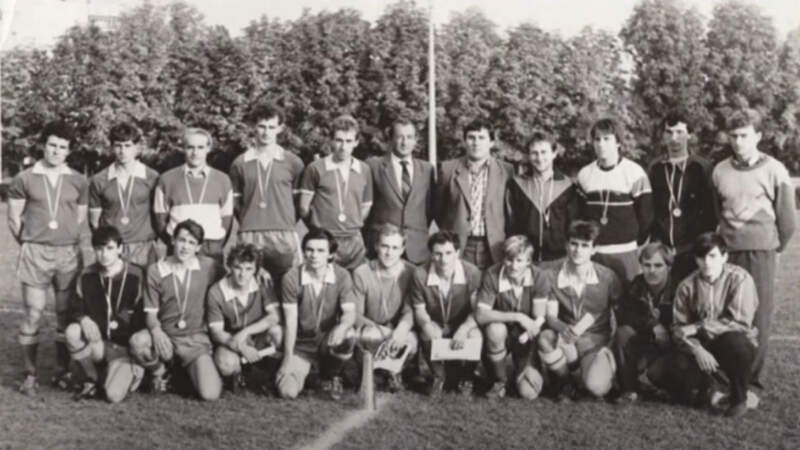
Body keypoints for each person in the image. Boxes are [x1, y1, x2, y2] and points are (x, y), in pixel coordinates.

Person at [712, 108, 796, 388]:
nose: (738, 142)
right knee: (726, 311)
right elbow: (716, 213)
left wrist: (773, 247)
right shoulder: (720, 170)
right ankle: (728, 372)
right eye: (734, 136)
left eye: (744, 136)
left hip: (760, 252)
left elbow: (787, 220)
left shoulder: (774, 169)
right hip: (728, 252)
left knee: (758, 314)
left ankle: (751, 378)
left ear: (758, 136)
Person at [8, 121, 90, 395]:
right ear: (44, 145)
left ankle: (61, 370)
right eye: (52, 145)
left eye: (62, 147)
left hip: (67, 253)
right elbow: (13, 219)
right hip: (36, 251)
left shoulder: (79, 180)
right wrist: (31, 241)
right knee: (33, 311)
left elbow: (79, 218)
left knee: (64, 313)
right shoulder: (25, 178)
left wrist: (62, 237)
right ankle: (29, 374)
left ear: (69, 151)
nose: (56, 151)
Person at [664, 232, 759, 418]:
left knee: (736, 344)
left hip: (732, 341)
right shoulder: (687, 285)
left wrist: (699, 327)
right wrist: (697, 349)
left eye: (712, 256)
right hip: (701, 345)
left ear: (725, 257)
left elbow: (739, 322)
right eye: (701, 257)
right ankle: (712, 390)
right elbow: (678, 329)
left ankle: (739, 399)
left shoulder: (740, 278)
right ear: (695, 259)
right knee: (666, 374)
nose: (707, 262)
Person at [129, 219, 224, 401]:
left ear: (198, 247)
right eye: (181, 240)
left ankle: (182, 374)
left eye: (191, 243)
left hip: (194, 339)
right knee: (137, 342)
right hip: (166, 335)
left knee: (210, 394)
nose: (185, 247)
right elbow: (150, 313)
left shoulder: (209, 266)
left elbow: (236, 277)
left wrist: (259, 271)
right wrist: (156, 331)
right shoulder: (156, 270)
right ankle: (160, 371)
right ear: (172, 240)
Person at [537, 220, 622, 400]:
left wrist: (611, 345)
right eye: (574, 244)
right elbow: (550, 316)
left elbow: (621, 314)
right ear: (566, 245)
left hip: (595, 340)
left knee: (597, 388)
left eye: (585, 246)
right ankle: (565, 382)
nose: (578, 250)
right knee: (545, 338)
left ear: (594, 249)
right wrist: (564, 328)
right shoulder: (551, 275)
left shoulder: (607, 277)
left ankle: (590, 372)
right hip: (565, 339)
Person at [65, 226, 146, 402]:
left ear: (120, 249)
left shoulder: (137, 274)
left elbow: (143, 315)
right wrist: (83, 318)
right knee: (72, 331)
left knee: (113, 395)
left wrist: (138, 357)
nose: (104, 254)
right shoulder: (86, 274)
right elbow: (73, 305)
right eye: (99, 249)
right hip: (99, 344)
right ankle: (92, 378)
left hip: (125, 349)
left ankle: (124, 371)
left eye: (110, 248)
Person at [276, 228, 358, 400]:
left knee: (348, 334)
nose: (314, 255)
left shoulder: (342, 275)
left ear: (330, 254)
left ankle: (331, 375)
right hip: (301, 345)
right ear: (303, 251)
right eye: (309, 250)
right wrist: (288, 358)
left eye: (321, 251)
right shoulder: (291, 278)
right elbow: (291, 320)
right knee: (287, 392)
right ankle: (310, 374)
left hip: (327, 341)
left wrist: (342, 326)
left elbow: (350, 313)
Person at [229, 104, 305, 279]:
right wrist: (251, 219)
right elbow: (236, 205)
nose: (266, 132)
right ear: (253, 127)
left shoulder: (293, 162)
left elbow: (298, 203)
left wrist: (284, 219)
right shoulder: (240, 163)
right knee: (248, 283)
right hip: (250, 233)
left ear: (280, 128)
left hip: (283, 233)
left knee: (289, 281)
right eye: (262, 126)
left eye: (271, 127)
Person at [576, 117, 653, 283]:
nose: (601, 144)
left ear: (618, 142)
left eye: (607, 139)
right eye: (597, 139)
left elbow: (646, 217)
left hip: (626, 252)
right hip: (594, 252)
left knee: (628, 296)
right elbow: (580, 216)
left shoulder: (635, 173)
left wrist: (634, 245)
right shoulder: (585, 174)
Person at [475, 235, 551, 399]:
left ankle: (525, 366)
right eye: (509, 260)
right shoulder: (492, 274)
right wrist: (517, 316)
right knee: (495, 329)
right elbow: (481, 315)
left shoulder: (539, 276)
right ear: (503, 258)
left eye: (519, 260)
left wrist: (531, 331)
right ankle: (500, 380)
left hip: (525, 338)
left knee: (528, 393)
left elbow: (539, 317)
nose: (514, 266)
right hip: (501, 335)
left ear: (528, 261)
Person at [410, 231, 483, 396]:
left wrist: (464, 329)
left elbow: (477, 311)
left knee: (475, 335)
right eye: (438, 254)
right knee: (427, 331)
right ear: (431, 254)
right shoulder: (420, 274)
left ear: (457, 253)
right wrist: (426, 324)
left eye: (449, 253)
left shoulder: (471, 272)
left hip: (461, 322)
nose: (444, 260)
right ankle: (439, 376)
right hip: (436, 322)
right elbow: (420, 311)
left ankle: (467, 377)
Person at [435, 118, 513, 270]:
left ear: (491, 142)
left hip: (494, 245)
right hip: (459, 245)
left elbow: (510, 212)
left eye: (482, 138)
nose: (476, 143)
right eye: (471, 137)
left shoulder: (506, 171)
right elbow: (438, 209)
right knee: (461, 284)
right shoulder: (447, 169)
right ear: (464, 141)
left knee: (492, 284)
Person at [648, 110, 716, 282]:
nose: (674, 138)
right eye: (669, 132)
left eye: (680, 132)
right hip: (662, 253)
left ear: (690, 135)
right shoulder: (655, 168)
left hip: (694, 252)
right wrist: (656, 244)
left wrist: (701, 248)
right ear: (663, 136)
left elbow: (711, 214)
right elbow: (650, 211)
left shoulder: (703, 168)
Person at [298, 115, 373, 271]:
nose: (343, 147)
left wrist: (351, 224)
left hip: (354, 239)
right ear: (331, 140)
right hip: (325, 239)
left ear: (356, 142)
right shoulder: (315, 168)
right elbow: (304, 208)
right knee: (325, 281)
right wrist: (318, 227)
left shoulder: (364, 169)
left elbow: (366, 206)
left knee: (356, 281)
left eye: (348, 141)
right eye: (339, 140)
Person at [207, 243, 283, 392]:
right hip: (231, 340)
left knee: (277, 332)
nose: (242, 274)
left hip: (256, 336)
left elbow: (274, 317)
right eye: (238, 268)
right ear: (229, 266)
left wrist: (246, 332)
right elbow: (217, 333)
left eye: (249, 269)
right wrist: (241, 347)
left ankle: (266, 373)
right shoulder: (216, 291)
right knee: (225, 364)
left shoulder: (262, 282)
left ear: (256, 270)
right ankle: (239, 374)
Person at [153, 127, 234, 264]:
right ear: (183, 148)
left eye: (200, 147)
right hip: (180, 245)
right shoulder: (167, 179)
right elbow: (160, 219)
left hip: (211, 245)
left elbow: (227, 219)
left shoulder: (223, 179)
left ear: (208, 148)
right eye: (190, 147)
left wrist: (216, 242)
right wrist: (174, 241)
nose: (195, 153)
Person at [352, 224, 418, 391]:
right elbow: (356, 314)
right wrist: (384, 332)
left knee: (411, 340)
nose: (389, 253)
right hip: (372, 328)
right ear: (376, 246)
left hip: (396, 329)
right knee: (369, 335)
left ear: (402, 249)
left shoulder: (411, 272)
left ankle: (394, 372)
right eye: (385, 246)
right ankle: (369, 371)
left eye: (395, 248)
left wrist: (401, 330)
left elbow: (410, 310)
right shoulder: (362, 272)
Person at [89, 122, 161, 268]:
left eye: (128, 146)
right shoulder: (99, 179)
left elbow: (158, 214)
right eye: (118, 146)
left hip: (143, 246)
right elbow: (94, 222)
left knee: (144, 282)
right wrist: (107, 243)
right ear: (111, 147)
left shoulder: (152, 177)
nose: (122, 151)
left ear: (137, 147)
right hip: (112, 247)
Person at [365, 118, 435, 265]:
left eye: (409, 137)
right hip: (383, 248)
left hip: (417, 249)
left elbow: (429, 210)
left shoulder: (427, 169)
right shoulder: (373, 166)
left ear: (415, 140)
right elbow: (366, 206)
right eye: (399, 137)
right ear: (391, 139)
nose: (405, 142)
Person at [613, 242, 676, 403]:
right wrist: (652, 325)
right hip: (646, 341)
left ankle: (661, 383)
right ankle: (629, 389)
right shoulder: (637, 284)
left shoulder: (679, 287)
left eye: (658, 265)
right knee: (623, 333)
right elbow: (624, 314)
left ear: (669, 267)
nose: (652, 271)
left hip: (672, 345)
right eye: (647, 265)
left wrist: (665, 330)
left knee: (660, 375)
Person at [506, 131, 579, 264]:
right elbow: (511, 222)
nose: (539, 158)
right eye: (534, 153)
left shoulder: (568, 186)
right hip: (525, 259)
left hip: (559, 259)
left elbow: (573, 226)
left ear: (554, 153)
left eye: (544, 152)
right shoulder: (516, 184)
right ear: (528, 155)